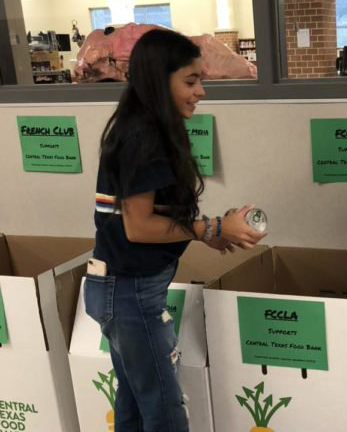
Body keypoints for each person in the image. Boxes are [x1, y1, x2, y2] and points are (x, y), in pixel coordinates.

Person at [84, 29, 265, 432]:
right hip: (129, 292)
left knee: (133, 404)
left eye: (201, 79)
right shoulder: (142, 136)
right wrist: (212, 226)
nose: (201, 91)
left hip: (122, 287)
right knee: (165, 413)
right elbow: (139, 227)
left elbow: (153, 217)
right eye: (190, 81)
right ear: (156, 80)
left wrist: (207, 232)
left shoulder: (151, 130)